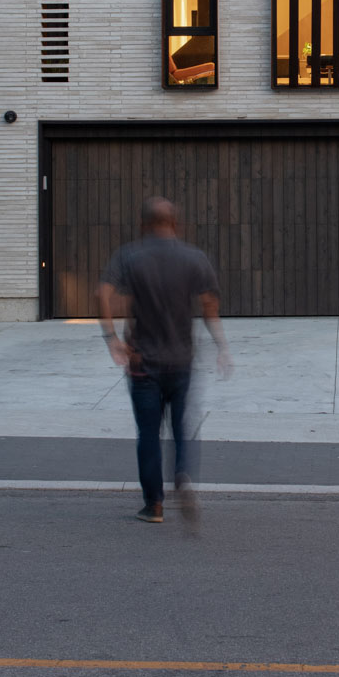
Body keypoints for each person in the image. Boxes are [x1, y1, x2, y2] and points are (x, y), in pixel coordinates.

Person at [98, 196, 232, 525]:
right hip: (182, 360)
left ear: (143, 225)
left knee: (148, 434)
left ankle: (154, 505)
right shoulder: (194, 257)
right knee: (181, 428)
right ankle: (182, 475)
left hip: (143, 363)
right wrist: (222, 346)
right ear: (175, 223)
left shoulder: (129, 255)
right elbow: (210, 305)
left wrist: (112, 339)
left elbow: (103, 293)